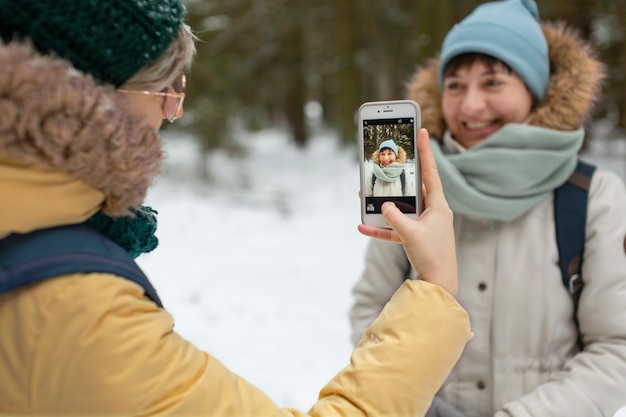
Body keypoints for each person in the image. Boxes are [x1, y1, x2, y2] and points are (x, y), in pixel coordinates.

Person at [0, 1, 472, 415]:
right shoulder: (72, 308)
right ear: (97, 97)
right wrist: (434, 289)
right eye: (164, 89)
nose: (171, 112)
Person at [349, 0, 626, 416]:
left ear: (535, 91)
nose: (470, 106)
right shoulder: (415, 191)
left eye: (493, 83)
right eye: (455, 86)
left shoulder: (592, 196)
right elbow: (370, 311)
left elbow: (616, 349)